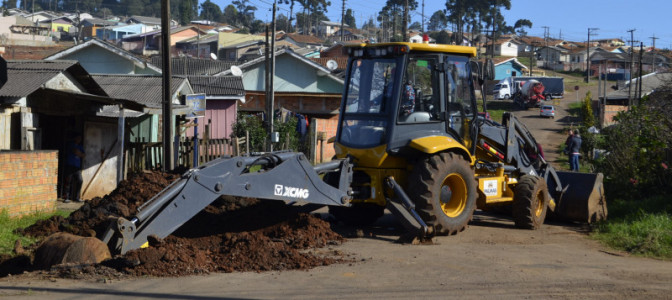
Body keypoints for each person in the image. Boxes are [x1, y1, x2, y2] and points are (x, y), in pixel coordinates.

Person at [65, 134, 85, 203]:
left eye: (80, 138)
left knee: (80, 180)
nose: (79, 140)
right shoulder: (71, 144)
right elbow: (75, 151)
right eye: (78, 138)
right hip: (70, 165)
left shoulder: (80, 146)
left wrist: (79, 153)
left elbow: (83, 155)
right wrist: (79, 153)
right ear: (75, 138)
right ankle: (66, 197)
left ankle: (77, 197)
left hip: (77, 167)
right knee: (68, 181)